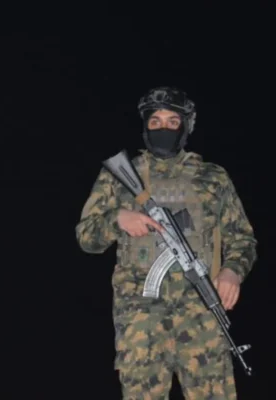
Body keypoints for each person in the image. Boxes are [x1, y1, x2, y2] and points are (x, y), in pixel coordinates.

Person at [75, 87, 257, 399]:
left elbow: (242, 238)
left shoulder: (212, 178)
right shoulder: (119, 176)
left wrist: (232, 272)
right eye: (155, 121)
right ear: (145, 126)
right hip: (140, 321)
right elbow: (86, 237)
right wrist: (117, 219)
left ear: (186, 126)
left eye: (173, 121)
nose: (163, 128)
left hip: (201, 317)